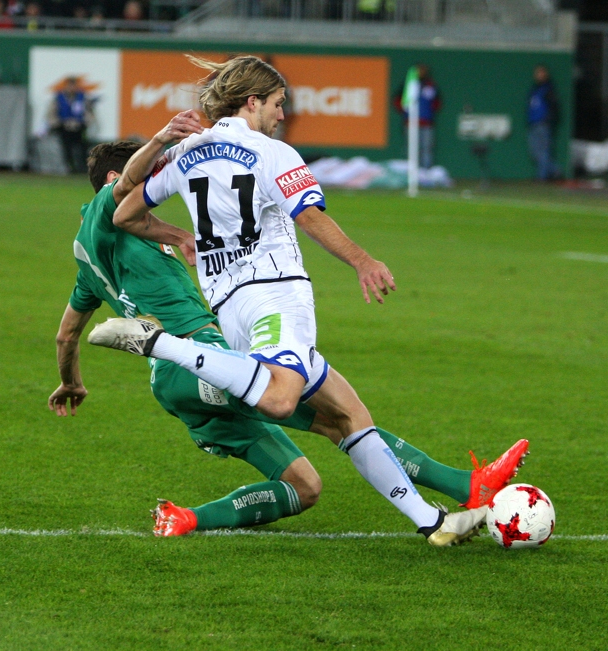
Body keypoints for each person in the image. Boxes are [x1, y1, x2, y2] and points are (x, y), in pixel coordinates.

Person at [92, 55, 529, 540]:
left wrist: (178, 233)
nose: (282, 115)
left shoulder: (189, 153)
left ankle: (433, 522)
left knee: (348, 414)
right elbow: (310, 215)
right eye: (278, 104)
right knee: (280, 399)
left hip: (230, 308)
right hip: (277, 296)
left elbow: (124, 213)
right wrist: (362, 260)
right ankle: (157, 344)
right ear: (253, 102)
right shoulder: (272, 153)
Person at [393, 63, 441, 169]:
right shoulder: (408, 84)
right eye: (419, 70)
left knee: (427, 148)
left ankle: (426, 172)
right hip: (410, 122)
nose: (421, 72)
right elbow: (398, 100)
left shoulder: (430, 85)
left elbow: (437, 102)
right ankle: (411, 172)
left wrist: (429, 113)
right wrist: (405, 112)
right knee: (411, 149)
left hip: (426, 123)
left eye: (423, 70)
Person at [48, 76, 93, 174]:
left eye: (74, 86)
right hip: (64, 127)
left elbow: (88, 113)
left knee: (82, 148)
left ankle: (82, 167)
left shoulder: (82, 97)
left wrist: (83, 123)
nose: (72, 88)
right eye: (70, 86)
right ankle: (69, 167)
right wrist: (59, 123)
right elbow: (52, 113)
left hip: (79, 127)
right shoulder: (59, 98)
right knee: (66, 148)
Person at [526, 64, 560, 181]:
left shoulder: (548, 89)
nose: (538, 75)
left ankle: (542, 177)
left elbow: (554, 107)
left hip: (543, 124)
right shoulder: (535, 89)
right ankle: (555, 170)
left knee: (543, 151)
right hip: (533, 124)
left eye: (541, 73)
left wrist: (548, 121)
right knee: (535, 151)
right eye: (537, 73)